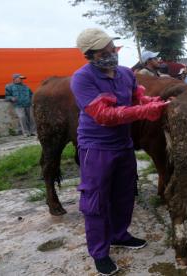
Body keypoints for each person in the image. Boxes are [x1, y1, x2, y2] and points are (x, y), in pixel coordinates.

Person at [71, 28, 168, 275]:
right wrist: (142, 113)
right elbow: (103, 115)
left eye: (112, 48)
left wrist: (151, 103)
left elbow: (136, 100)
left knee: (124, 193)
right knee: (96, 200)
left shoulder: (126, 74)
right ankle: (99, 252)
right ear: (90, 55)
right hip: (96, 146)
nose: (111, 54)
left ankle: (119, 234)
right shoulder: (82, 79)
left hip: (123, 144)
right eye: (104, 52)